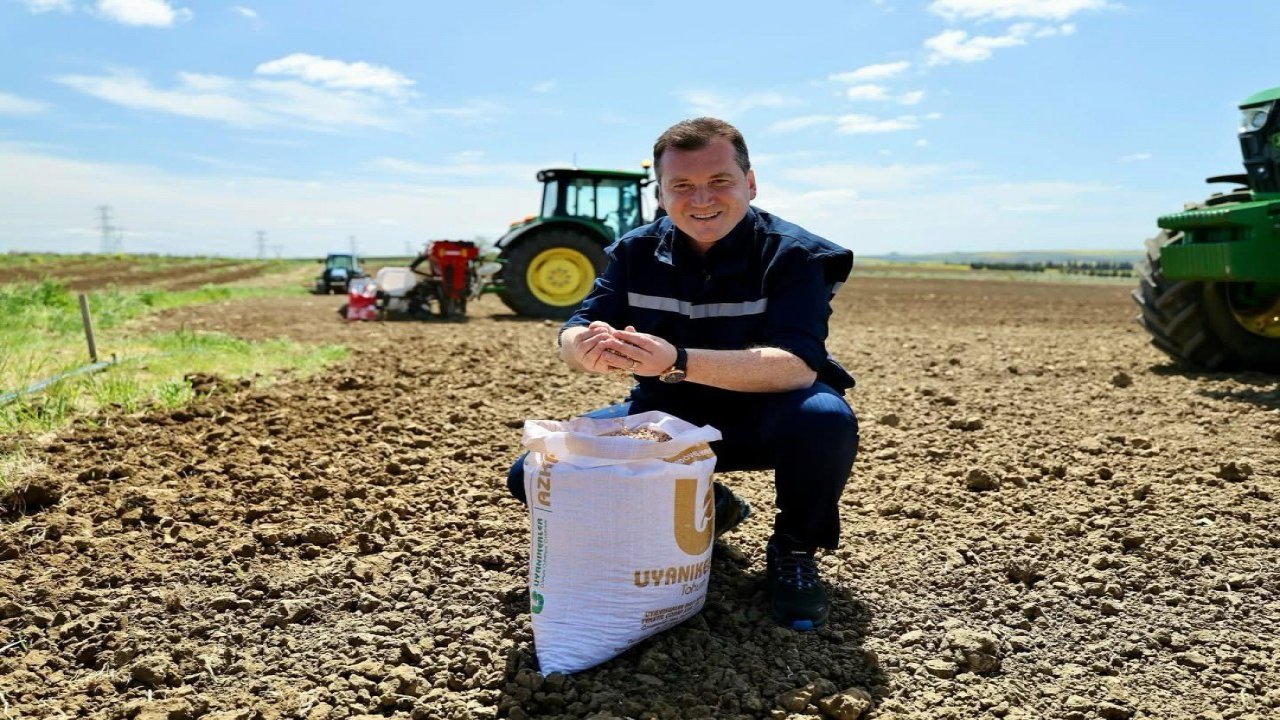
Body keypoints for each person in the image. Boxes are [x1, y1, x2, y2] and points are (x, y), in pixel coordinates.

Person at [506, 117, 859, 630]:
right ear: (661, 193)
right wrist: (581, 347)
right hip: (667, 418)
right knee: (534, 473)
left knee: (824, 418)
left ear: (750, 183)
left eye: (719, 181)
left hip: (768, 417)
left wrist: (677, 360)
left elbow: (797, 368)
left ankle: (794, 550)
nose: (701, 199)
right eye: (682, 186)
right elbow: (577, 326)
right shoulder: (635, 251)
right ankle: (710, 506)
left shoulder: (796, 255)